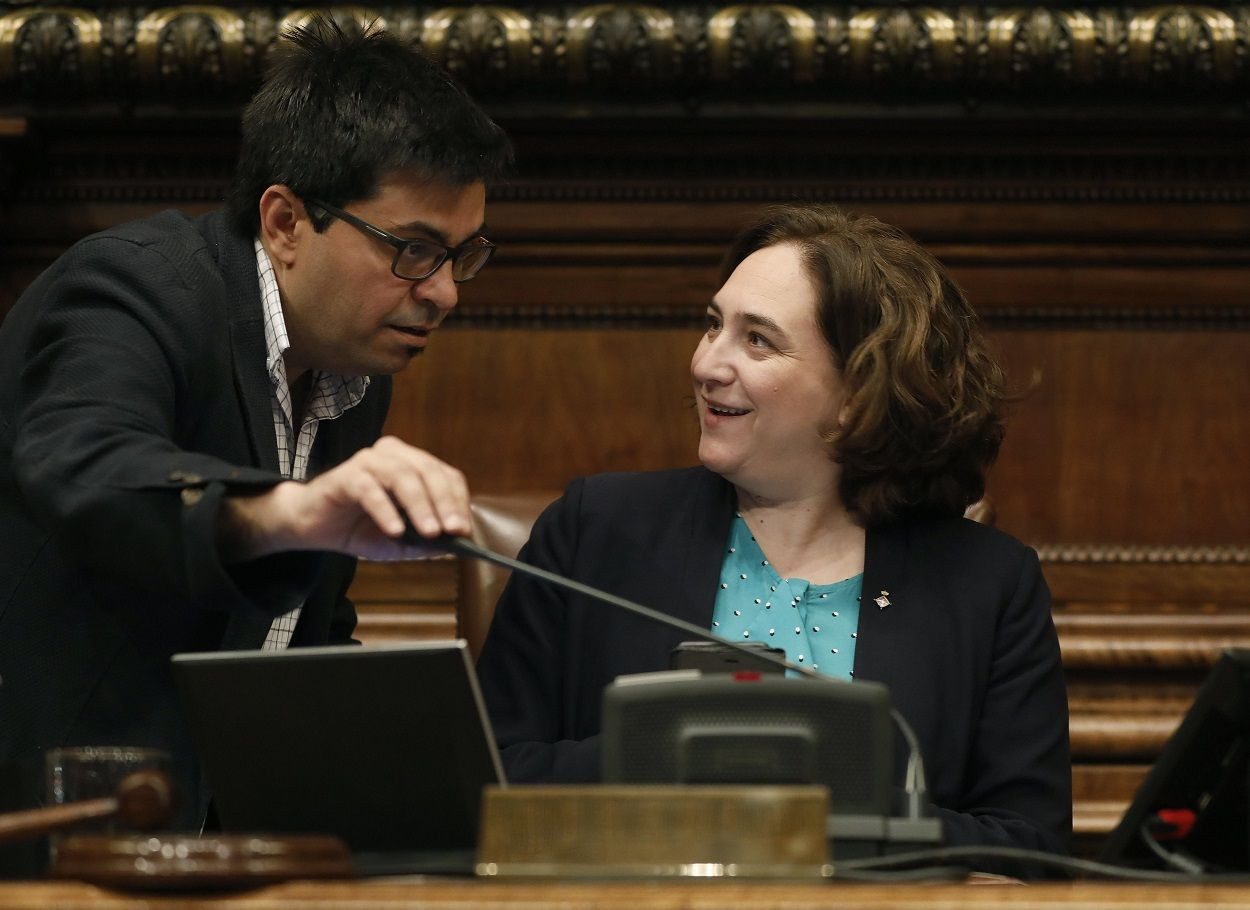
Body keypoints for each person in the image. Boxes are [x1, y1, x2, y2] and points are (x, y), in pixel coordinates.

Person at [0, 17, 511, 872]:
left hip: (211, 854)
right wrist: (294, 511)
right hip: (47, 838)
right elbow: (81, 467)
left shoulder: (353, 372)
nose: (446, 293)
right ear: (284, 221)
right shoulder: (133, 288)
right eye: (414, 250)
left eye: (463, 255)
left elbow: (296, 638)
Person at [476, 204, 1071, 865]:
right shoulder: (596, 531)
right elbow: (489, 778)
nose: (706, 364)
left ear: (860, 391)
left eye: (757, 340)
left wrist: (831, 814)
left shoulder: (987, 583)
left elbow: (1029, 844)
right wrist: (677, 758)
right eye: (713, 326)